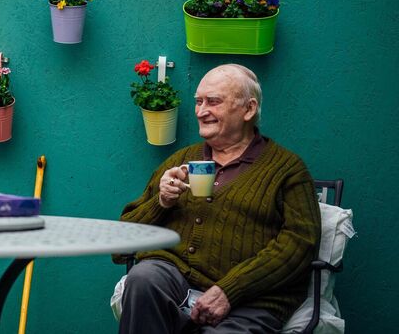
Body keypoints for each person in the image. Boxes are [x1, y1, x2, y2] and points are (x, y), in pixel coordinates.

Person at [116, 64, 321, 334]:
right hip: (175, 283)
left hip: (251, 301)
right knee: (143, 278)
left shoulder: (287, 170)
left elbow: (301, 244)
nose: (201, 111)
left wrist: (231, 290)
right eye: (198, 101)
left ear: (248, 109)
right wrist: (161, 203)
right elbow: (121, 246)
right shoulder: (181, 161)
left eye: (213, 102)